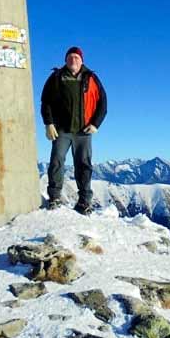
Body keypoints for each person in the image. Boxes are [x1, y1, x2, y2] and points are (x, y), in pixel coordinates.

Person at [40, 46, 107, 214]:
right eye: (70, 57)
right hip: (62, 130)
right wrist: (48, 123)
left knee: (84, 165)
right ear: (65, 60)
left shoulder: (91, 78)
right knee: (56, 162)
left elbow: (102, 103)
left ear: (82, 60)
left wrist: (96, 124)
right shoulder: (56, 77)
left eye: (76, 57)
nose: (73, 60)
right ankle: (54, 198)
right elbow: (45, 102)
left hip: (84, 131)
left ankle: (84, 202)